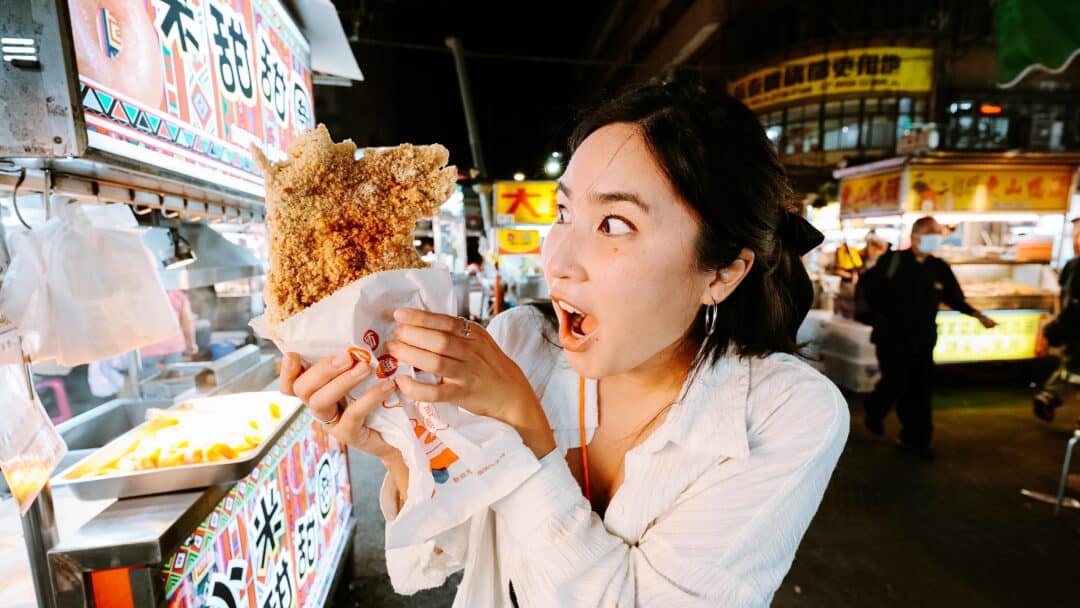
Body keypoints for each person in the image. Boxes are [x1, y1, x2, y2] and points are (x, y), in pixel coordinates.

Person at [279, 81, 848, 606]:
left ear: (721, 272)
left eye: (615, 224)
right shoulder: (518, 344)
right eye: (564, 213)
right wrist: (396, 450)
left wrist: (526, 433)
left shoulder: (784, 412)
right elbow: (428, 561)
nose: (557, 259)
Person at [858, 217, 997, 459]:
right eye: (930, 232)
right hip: (891, 338)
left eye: (937, 232)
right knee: (896, 381)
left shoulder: (939, 267)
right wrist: (872, 318)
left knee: (920, 390)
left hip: (923, 339)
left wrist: (977, 315)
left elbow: (954, 298)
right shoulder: (893, 261)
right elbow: (868, 288)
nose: (935, 237)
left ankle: (917, 439)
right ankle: (875, 408)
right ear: (915, 235)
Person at [1033, 215, 1080, 421]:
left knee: (1072, 368)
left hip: (1075, 332)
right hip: (1075, 332)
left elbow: (1069, 301)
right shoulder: (1074, 265)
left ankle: (1049, 396)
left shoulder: (1075, 266)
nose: (1075, 240)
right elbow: (1066, 297)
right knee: (1071, 367)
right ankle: (1049, 396)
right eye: (1074, 235)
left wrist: (1058, 326)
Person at [140, 288, 197, 370]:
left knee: (147, 381)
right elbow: (187, 322)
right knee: (172, 379)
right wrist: (191, 344)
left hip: (147, 349)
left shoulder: (140, 295)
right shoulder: (176, 295)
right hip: (173, 347)